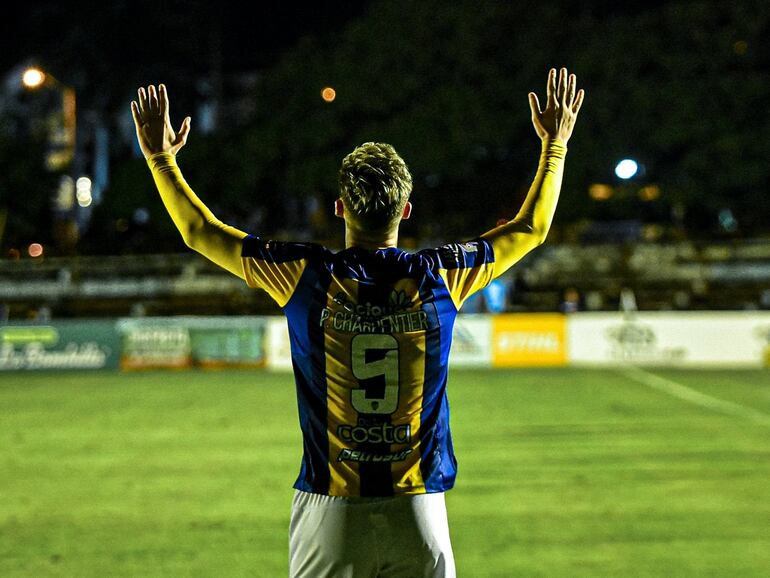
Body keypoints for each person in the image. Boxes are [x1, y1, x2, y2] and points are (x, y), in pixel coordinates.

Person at [131, 67, 584, 578]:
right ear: (406, 209)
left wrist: (161, 159)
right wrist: (554, 147)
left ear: (341, 207)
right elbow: (532, 228)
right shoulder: (440, 277)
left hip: (331, 511)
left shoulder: (303, 275)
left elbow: (199, 231)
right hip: (417, 510)